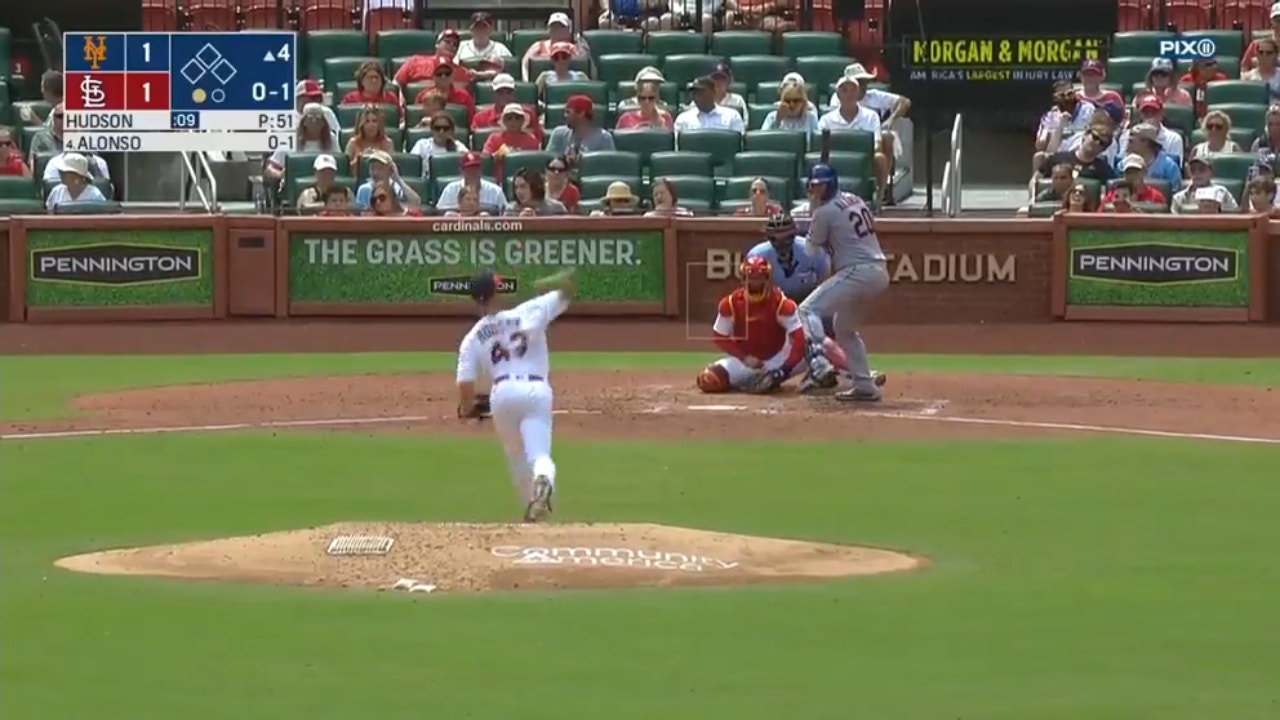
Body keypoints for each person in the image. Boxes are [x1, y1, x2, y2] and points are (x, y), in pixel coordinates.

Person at [454, 267, 578, 522]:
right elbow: (567, 293)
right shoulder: (530, 310)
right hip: (536, 391)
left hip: (502, 395)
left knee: (516, 459)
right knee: (539, 455)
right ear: (495, 294)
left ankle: (532, 517)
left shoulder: (473, 337)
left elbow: (465, 388)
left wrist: (469, 408)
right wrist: (551, 281)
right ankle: (543, 481)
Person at [795, 163, 889, 401]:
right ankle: (865, 386)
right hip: (878, 272)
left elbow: (810, 250)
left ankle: (818, 360)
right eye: (814, 186)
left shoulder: (824, 212)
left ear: (831, 184)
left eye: (821, 186)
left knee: (807, 309)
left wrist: (812, 217)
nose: (817, 190)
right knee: (844, 329)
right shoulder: (854, 199)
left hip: (858, 271)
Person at [694, 256, 829, 395]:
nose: (755, 282)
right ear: (743, 279)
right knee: (709, 380)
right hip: (747, 363)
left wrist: (784, 369)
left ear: (767, 279)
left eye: (759, 278)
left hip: (778, 358)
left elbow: (798, 339)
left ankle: (817, 376)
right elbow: (719, 336)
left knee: (814, 348)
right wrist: (744, 358)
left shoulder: (781, 303)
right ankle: (749, 379)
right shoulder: (730, 304)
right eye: (752, 278)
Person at [746, 212, 830, 304]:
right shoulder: (757, 255)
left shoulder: (812, 251)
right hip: (772, 305)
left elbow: (826, 283)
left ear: (794, 234)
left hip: (807, 304)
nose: (782, 245)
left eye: (787, 239)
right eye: (774, 240)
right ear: (768, 238)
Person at [471, 74, 545, 141]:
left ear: (514, 93)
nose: (505, 96)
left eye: (508, 92)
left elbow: (538, 139)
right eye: (500, 92)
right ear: (494, 94)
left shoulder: (528, 114)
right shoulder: (480, 118)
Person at [520, 12, 592, 82]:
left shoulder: (576, 49)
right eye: (554, 27)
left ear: (568, 30)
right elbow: (525, 64)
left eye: (561, 27)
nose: (557, 31)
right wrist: (527, 82)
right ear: (549, 30)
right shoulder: (539, 46)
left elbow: (590, 67)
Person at [546, 95, 615, 167]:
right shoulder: (559, 133)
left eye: (568, 112)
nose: (565, 116)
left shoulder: (604, 138)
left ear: (581, 114)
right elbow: (547, 160)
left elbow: (608, 167)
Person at [436, 151, 507, 213]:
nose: (473, 172)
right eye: (469, 169)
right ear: (461, 171)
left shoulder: (496, 191)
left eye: (476, 168)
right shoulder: (450, 190)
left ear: (481, 169)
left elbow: (506, 216)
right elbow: (438, 215)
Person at [1172, 149, 1238, 213]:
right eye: (1193, 169)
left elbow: (1236, 216)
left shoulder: (1222, 192)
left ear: (1211, 172)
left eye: (1201, 169)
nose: (1196, 173)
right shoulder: (1178, 198)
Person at [674, 76, 745, 134]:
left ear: (713, 92)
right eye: (694, 93)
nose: (696, 96)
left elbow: (739, 144)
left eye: (701, 92)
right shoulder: (683, 119)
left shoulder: (732, 116)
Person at [354, 150, 421, 209]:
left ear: (390, 170)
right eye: (372, 168)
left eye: (380, 168)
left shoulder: (397, 188)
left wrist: (398, 179)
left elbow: (416, 202)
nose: (375, 173)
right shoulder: (364, 189)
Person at [457, 12, 512, 81]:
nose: (480, 31)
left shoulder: (500, 49)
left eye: (484, 27)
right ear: (471, 30)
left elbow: (509, 74)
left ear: (491, 29)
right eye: (477, 27)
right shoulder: (461, 47)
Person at [344, 104, 394, 175]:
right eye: (367, 121)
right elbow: (345, 170)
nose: (371, 125)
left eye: (374, 121)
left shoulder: (387, 143)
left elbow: (391, 169)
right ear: (361, 125)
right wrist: (359, 159)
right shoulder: (353, 143)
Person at [1244, 38, 1280, 103]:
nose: (1264, 56)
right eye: (1261, 52)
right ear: (1256, 55)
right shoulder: (1247, 78)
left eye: (1269, 53)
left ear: (1276, 55)